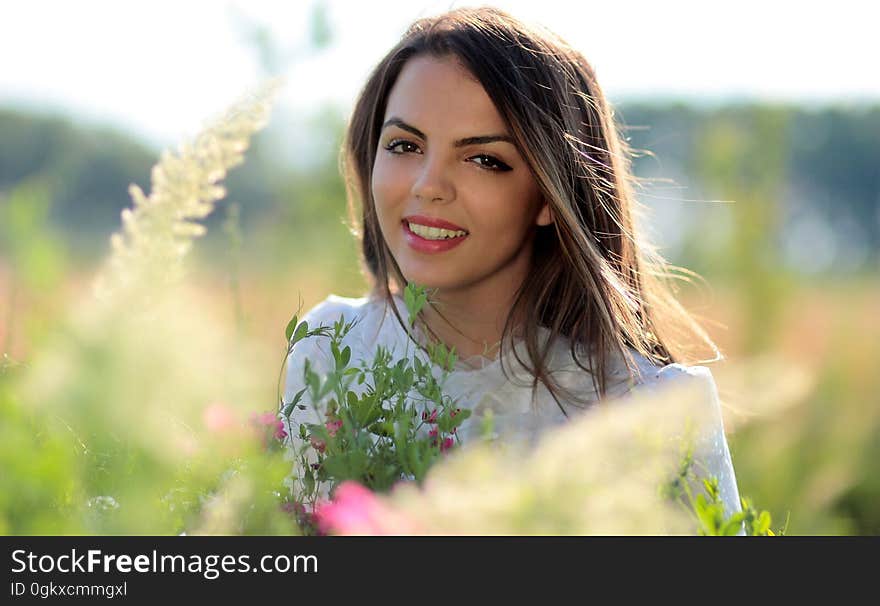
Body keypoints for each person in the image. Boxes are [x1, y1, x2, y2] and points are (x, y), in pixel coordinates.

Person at [281, 6, 742, 529]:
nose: (429, 184)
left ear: (550, 194)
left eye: (483, 159)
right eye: (405, 145)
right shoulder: (329, 350)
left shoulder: (657, 409)